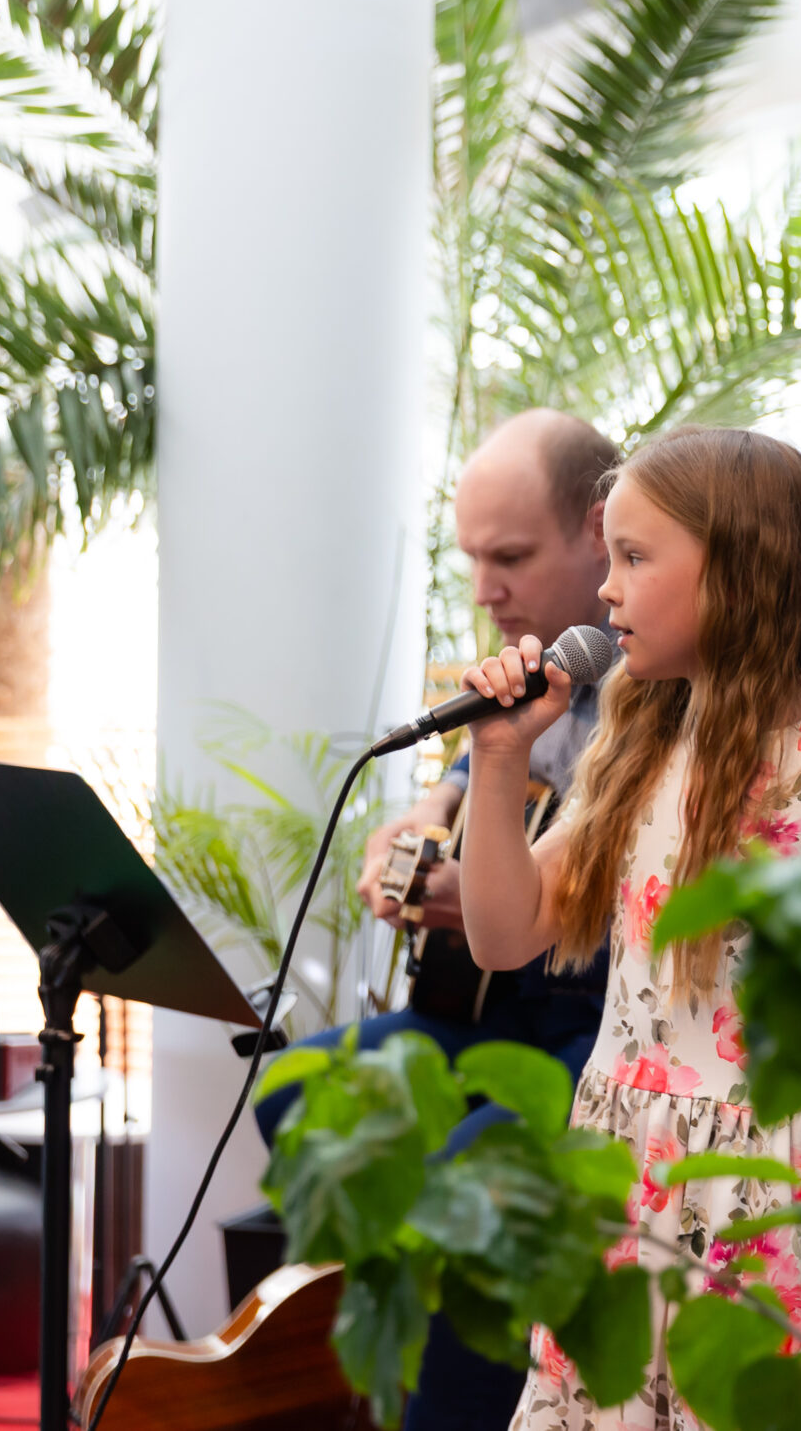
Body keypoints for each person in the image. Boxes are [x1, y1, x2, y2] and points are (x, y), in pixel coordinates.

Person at [452, 425, 801, 1431]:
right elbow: (505, 937)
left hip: (776, 1201)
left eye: (635, 556)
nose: (606, 589)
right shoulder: (648, 735)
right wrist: (499, 762)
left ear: (739, 568)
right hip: (623, 1185)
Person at [254, 407, 622, 1431]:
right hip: (479, 1009)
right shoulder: (531, 671)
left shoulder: (651, 691)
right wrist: (407, 847)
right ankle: (397, 1342)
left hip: (591, 1030)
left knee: (472, 1180)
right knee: (296, 1093)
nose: (484, 588)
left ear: (597, 531)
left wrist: (498, 896)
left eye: (511, 556)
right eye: (471, 559)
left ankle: (467, 1387)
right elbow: (445, 796)